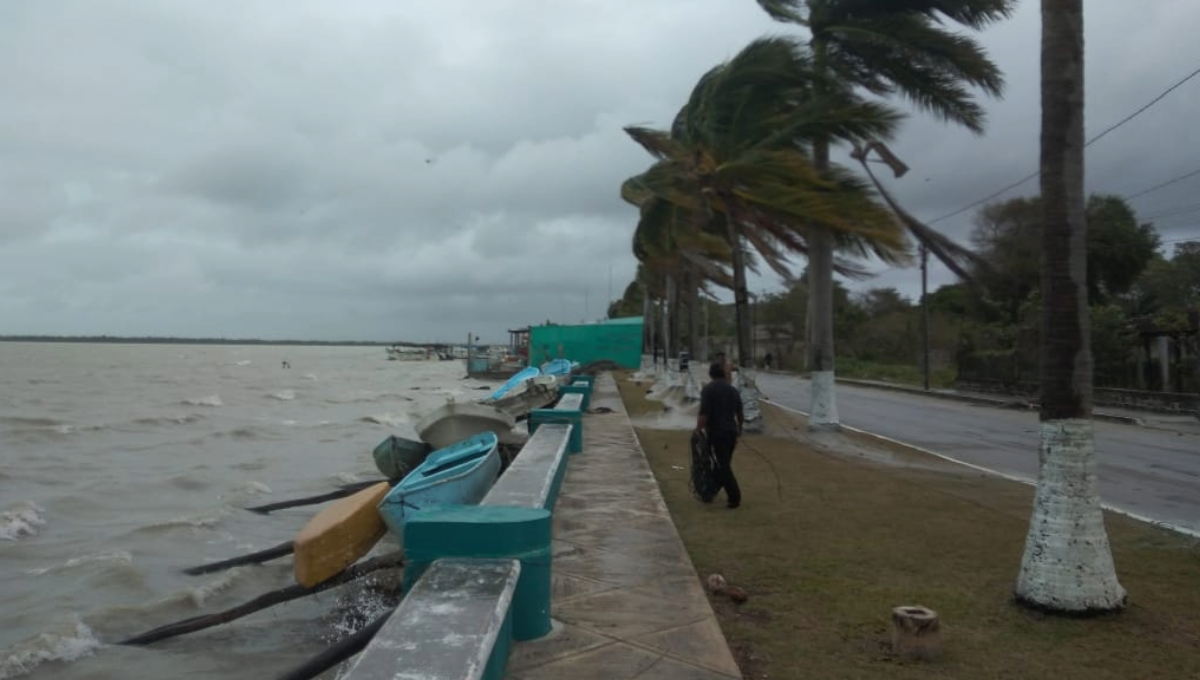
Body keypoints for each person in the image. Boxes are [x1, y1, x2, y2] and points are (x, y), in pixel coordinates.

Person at [696, 361, 744, 509]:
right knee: (722, 464)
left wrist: (698, 430)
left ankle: (735, 497)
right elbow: (740, 413)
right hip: (731, 433)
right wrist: (740, 428)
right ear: (723, 374)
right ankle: (710, 492)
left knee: (723, 466)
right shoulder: (733, 390)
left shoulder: (708, 390)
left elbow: (704, 414)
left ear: (711, 374)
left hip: (717, 433)